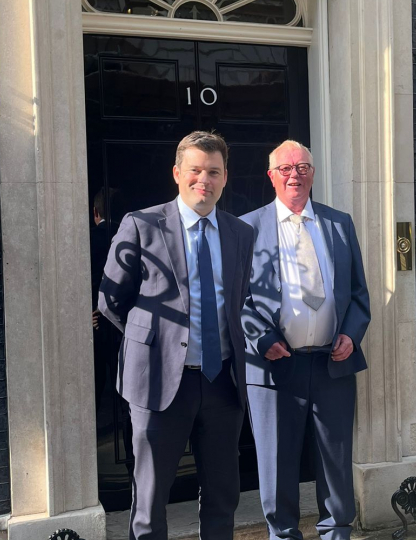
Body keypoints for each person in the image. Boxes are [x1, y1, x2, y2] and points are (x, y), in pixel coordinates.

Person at [98, 131, 254, 540]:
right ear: (177, 173)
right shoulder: (141, 224)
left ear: (225, 178)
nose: (205, 179)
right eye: (196, 170)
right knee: (150, 502)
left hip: (222, 384)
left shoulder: (240, 233)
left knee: (223, 496)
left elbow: (239, 301)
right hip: (158, 382)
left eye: (214, 172)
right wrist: (153, 345)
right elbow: (111, 300)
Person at [240, 140, 370, 540]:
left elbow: (359, 294)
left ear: (313, 173)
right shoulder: (246, 228)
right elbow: (235, 299)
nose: (295, 174)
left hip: (331, 365)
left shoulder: (339, 223)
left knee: (335, 461)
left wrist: (350, 331)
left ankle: (337, 532)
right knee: (277, 468)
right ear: (271, 176)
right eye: (285, 168)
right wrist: (261, 338)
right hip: (276, 368)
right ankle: (283, 535)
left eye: (303, 167)